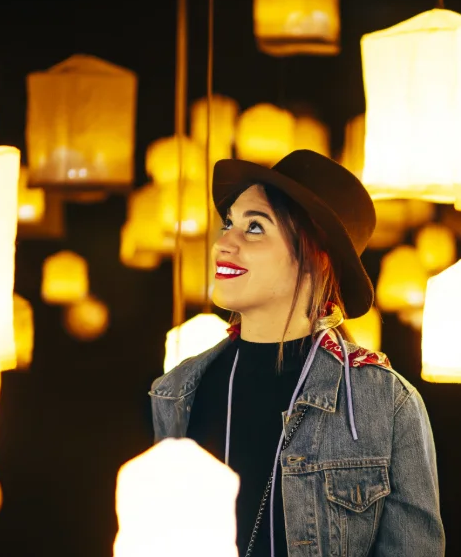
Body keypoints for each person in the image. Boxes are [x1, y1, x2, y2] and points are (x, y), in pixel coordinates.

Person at [150, 150, 445, 557]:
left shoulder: (385, 403)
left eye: (255, 227)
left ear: (315, 258)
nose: (223, 243)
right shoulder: (176, 392)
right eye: (228, 224)